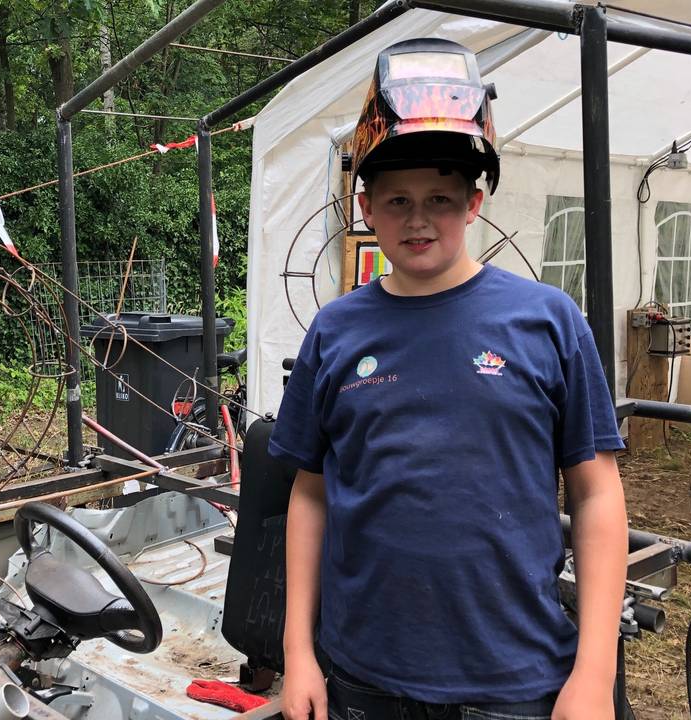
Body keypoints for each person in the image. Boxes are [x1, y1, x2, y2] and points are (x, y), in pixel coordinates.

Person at [268, 38, 629, 720]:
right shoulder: (337, 331)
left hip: (514, 679)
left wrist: (594, 674)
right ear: (366, 208)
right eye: (397, 200)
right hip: (366, 676)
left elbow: (596, 493)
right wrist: (298, 653)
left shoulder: (547, 321)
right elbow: (309, 496)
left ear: (473, 202)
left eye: (439, 196)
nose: (418, 218)